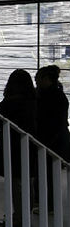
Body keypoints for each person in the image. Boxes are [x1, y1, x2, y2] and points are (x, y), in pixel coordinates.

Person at [0, 69, 37, 227]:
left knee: (16, 184)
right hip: (30, 144)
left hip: (12, 145)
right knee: (28, 182)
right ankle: (24, 216)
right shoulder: (34, 100)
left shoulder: (11, 101)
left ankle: (18, 219)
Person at [34, 65, 70, 210]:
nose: (36, 81)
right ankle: (46, 203)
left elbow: (51, 122)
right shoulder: (57, 95)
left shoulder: (48, 96)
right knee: (49, 174)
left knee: (46, 174)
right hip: (55, 140)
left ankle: (47, 204)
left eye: (38, 78)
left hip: (50, 140)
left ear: (46, 79)